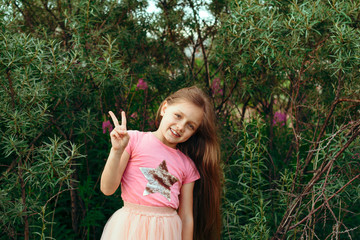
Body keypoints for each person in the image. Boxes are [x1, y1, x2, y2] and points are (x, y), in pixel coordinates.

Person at [100, 86, 222, 240]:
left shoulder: (187, 165)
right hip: (129, 229)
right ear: (165, 108)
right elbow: (107, 188)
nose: (180, 127)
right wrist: (116, 151)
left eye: (190, 126)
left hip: (167, 233)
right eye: (178, 116)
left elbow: (186, 217)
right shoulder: (133, 141)